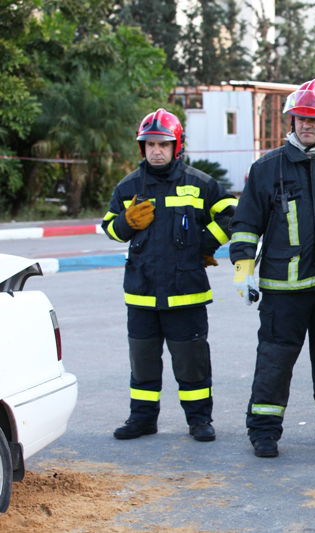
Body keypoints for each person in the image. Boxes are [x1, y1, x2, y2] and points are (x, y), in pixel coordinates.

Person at [228, 79, 315, 458]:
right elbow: (245, 223)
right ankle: (263, 430)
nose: (305, 125)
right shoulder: (266, 168)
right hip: (282, 289)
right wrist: (243, 268)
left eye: (313, 119)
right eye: (299, 119)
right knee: (274, 360)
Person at [102, 108, 237, 442]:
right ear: (142, 148)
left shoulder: (200, 184)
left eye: (163, 144)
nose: (156, 150)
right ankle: (142, 419)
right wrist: (125, 223)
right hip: (141, 293)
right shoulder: (129, 186)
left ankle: (199, 420)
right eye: (149, 145)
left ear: (177, 145)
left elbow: (231, 216)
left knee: (191, 362)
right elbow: (109, 227)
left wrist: (203, 244)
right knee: (143, 363)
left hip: (186, 293)